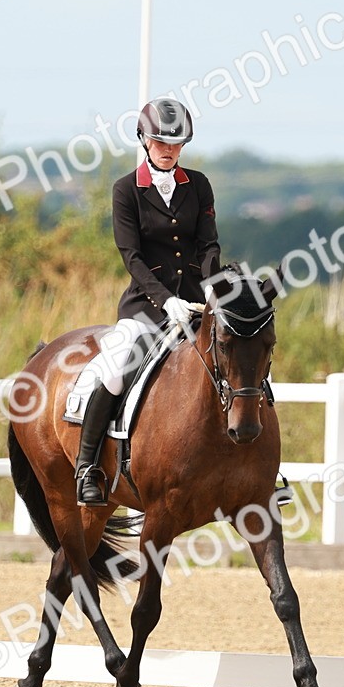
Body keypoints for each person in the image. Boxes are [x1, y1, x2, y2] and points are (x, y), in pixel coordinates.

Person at [73, 97, 221, 506]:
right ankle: (88, 467)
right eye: (161, 142)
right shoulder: (126, 190)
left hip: (195, 305)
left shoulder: (199, 185)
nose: (169, 150)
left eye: (176, 143)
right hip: (145, 306)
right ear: (144, 140)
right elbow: (131, 256)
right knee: (117, 368)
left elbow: (208, 244)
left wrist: (211, 288)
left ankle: (260, 469)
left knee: (238, 359)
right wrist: (166, 300)